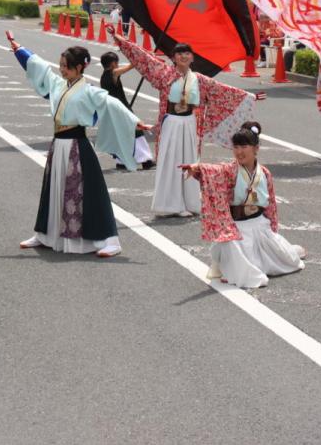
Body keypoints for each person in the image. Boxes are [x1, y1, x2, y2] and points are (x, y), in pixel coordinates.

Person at [6, 33, 143, 257]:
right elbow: (38, 66)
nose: (61, 70)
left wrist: (136, 122)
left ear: (79, 67)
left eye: (66, 67)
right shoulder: (60, 85)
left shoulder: (88, 91)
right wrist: (19, 48)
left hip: (77, 147)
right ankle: (46, 234)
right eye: (60, 66)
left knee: (90, 194)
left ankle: (110, 240)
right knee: (53, 190)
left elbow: (112, 104)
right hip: (58, 144)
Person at [113, 28, 258, 217]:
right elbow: (143, 57)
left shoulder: (199, 80)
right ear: (173, 58)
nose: (183, 56)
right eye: (179, 53)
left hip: (190, 123)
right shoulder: (163, 74)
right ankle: (170, 205)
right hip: (171, 122)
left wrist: (250, 97)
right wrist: (119, 39)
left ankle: (190, 203)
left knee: (189, 161)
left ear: (192, 58)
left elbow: (223, 92)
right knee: (170, 161)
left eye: (187, 53)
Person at [179, 121, 305, 288]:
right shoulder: (231, 170)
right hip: (237, 227)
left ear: (256, 148)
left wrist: (273, 225)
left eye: (244, 146)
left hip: (259, 224)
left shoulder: (264, 172)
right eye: (236, 147)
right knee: (236, 251)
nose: (239, 151)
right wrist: (197, 168)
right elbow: (215, 170)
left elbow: (271, 202)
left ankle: (288, 251)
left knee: (288, 260)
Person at [98, 51, 156, 171]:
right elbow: (129, 67)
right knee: (137, 131)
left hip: (113, 109)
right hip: (122, 109)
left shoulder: (103, 77)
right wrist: (140, 60)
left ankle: (121, 161)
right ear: (113, 63)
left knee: (121, 134)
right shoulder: (112, 73)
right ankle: (145, 160)